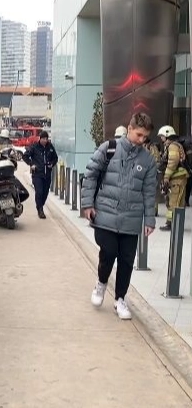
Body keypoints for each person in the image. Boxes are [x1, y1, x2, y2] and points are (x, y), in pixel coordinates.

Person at [81, 112, 157, 320]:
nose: (142, 140)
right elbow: (90, 175)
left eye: (145, 137)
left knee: (126, 260)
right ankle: (101, 283)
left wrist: (149, 219)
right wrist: (87, 204)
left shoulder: (148, 160)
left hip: (131, 219)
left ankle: (120, 299)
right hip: (105, 213)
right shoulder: (109, 149)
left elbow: (150, 191)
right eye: (139, 135)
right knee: (109, 252)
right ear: (130, 128)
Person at [157, 125, 190, 231]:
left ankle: (172, 224)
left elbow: (173, 162)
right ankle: (173, 223)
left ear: (167, 135)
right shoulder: (174, 145)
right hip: (177, 178)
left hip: (177, 179)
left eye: (162, 137)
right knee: (175, 202)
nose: (161, 139)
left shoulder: (173, 146)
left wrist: (166, 177)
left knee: (174, 202)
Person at [22, 130, 58, 219]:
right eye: (43, 139)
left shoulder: (50, 147)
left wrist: (52, 164)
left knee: (45, 193)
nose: (45, 140)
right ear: (40, 139)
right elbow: (25, 156)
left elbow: (55, 158)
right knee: (39, 191)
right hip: (37, 174)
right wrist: (31, 164)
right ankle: (40, 210)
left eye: (46, 139)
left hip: (47, 174)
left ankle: (40, 205)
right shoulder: (34, 147)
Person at [143, 136, 161, 216]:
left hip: (151, 173)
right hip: (143, 173)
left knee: (152, 192)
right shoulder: (142, 146)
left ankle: (153, 210)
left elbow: (157, 161)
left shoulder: (152, 147)